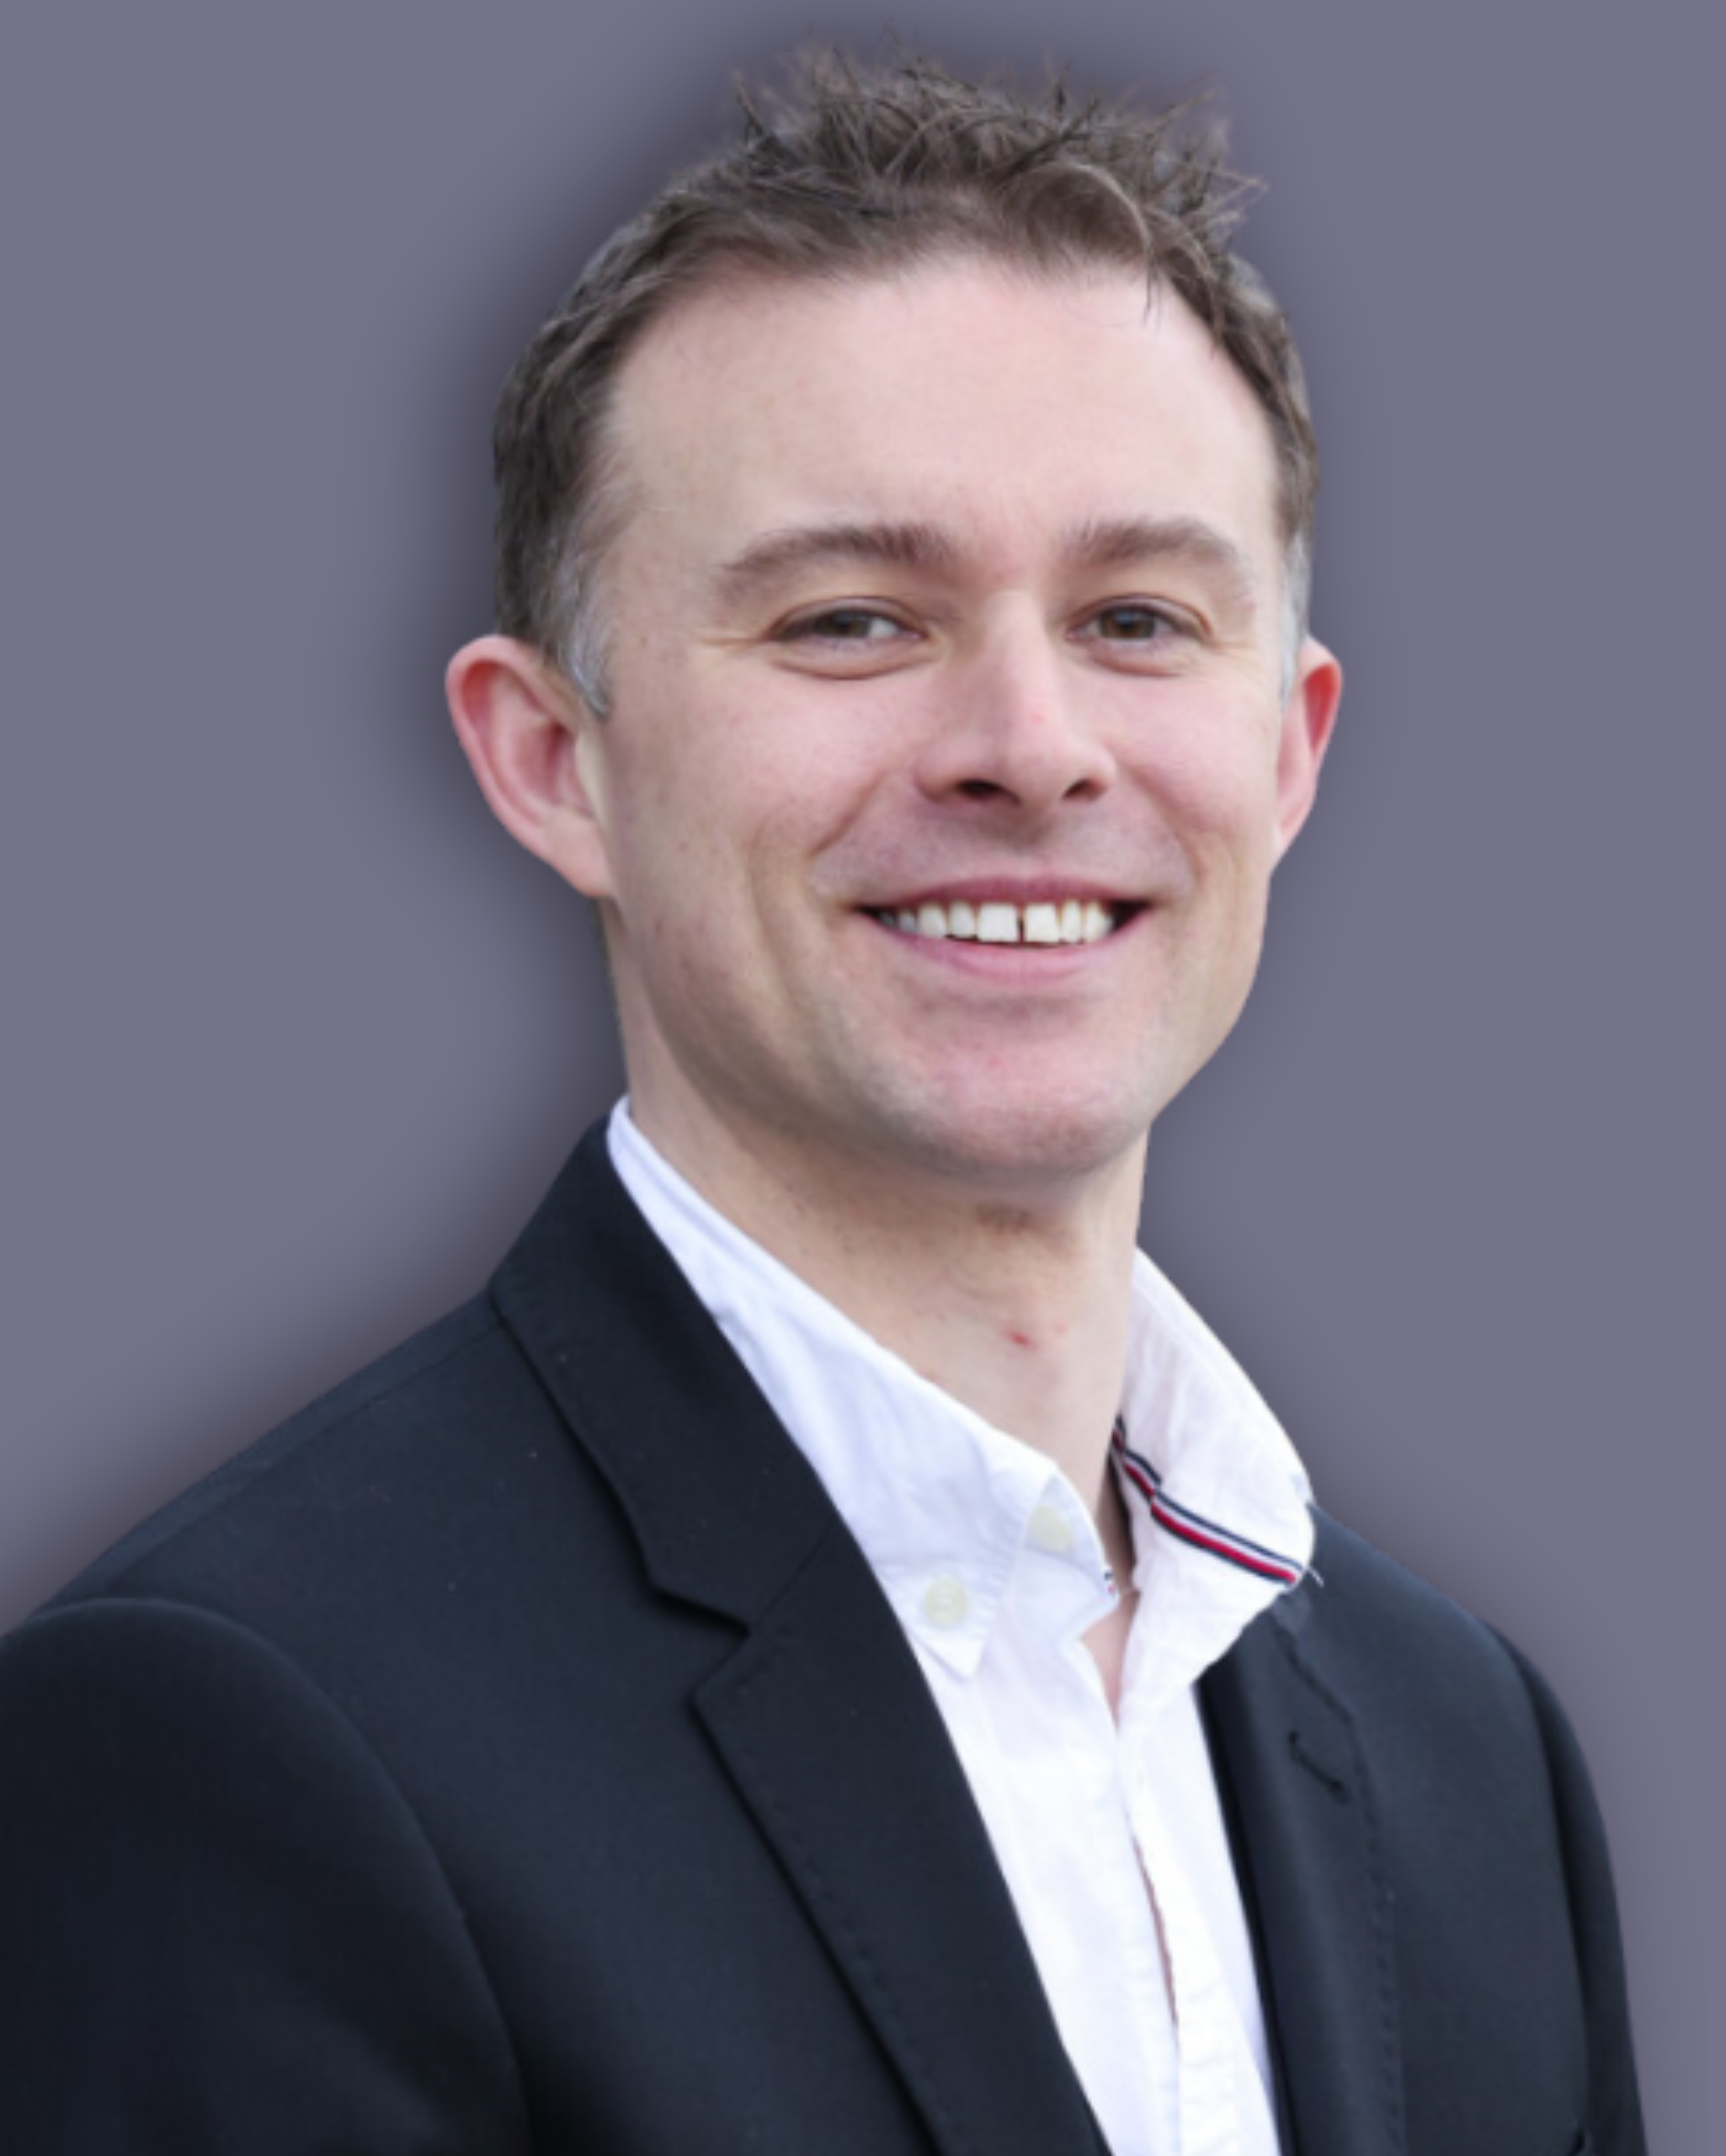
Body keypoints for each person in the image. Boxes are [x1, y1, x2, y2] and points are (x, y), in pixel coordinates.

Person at [0, 48, 1643, 2156]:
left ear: (1289, 748)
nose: (1029, 743)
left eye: (1138, 617)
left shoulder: (1466, 1750)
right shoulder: (221, 1735)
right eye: (852, 618)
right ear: (551, 759)